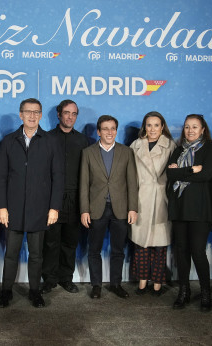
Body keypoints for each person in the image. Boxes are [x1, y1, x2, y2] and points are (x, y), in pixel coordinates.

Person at [0, 98, 64, 308]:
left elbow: (57, 177)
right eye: (28, 112)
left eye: (36, 112)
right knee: (11, 254)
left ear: (41, 115)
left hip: (40, 209)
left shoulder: (51, 141)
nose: (32, 116)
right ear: (21, 115)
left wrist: (54, 207)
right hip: (12, 209)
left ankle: (35, 292)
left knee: (36, 255)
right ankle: (6, 292)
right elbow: (1, 177)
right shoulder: (8, 141)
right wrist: (1, 206)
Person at [80, 115, 138, 299]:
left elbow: (132, 182)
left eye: (113, 128)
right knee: (94, 249)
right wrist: (84, 210)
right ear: (98, 132)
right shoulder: (88, 153)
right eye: (105, 128)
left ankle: (116, 284)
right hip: (96, 208)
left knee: (118, 250)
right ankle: (96, 285)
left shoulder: (126, 152)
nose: (109, 132)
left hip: (120, 208)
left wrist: (132, 208)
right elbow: (84, 183)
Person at [166, 114, 212, 311]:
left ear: (203, 129)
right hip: (179, 207)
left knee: (197, 251)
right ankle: (184, 291)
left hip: (199, 209)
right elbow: (170, 174)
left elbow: (207, 174)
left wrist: (182, 170)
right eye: (187, 127)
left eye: (194, 127)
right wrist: (192, 170)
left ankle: (206, 293)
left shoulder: (210, 148)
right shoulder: (179, 149)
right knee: (181, 251)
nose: (190, 130)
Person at [41, 100, 89, 294]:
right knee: (50, 242)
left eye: (74, 113)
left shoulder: (84, 141)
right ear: (59, 114)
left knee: (70, 242)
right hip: (52, 199)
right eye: (66, 113)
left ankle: (66, 278)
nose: (70, 117)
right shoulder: (46, 138)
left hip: (75, 199)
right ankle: (49, 279)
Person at [129, 111, 176, 296]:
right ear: (144, 127)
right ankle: (142, 282)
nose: (153, 129)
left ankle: (158, 282)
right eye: (149, 125)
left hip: (162, 200)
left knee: (159, 244)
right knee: (141, 244)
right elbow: (131, 176)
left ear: (162, 126)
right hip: (141, 199)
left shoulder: (171, 146)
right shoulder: (135, 145)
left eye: (156, 125)